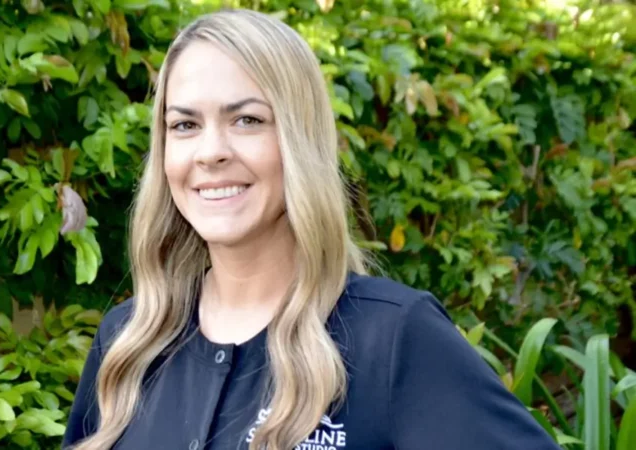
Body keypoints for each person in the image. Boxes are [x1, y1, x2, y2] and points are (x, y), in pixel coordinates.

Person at [63, 8, 562, 450]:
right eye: (185, 125)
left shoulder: (393, 339)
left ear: (300, 141)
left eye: (247, 120)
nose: (210, 151)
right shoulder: (128, 342)